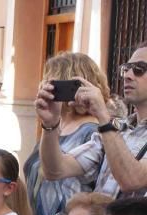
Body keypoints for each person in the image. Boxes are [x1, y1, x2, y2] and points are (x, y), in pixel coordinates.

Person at [37, 42, 147, 199]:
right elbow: (55, 170)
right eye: (126, 68)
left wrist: (103, 117)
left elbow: (132, 180)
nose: (128, 75)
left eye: (139, 69)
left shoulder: (108, 128)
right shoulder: (118, 130)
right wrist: (50, 125)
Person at [24, 53, 106, 215]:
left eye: (51, 80)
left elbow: (54, 172)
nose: (44, 85)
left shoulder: (92, 132)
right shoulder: (54, 126)